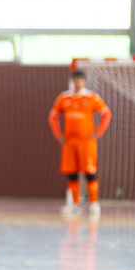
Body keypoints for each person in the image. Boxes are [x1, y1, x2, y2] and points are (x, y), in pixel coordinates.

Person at [49, 70, 112, 221]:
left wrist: (99, 132)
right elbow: (53, 116)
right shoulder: (64, 97)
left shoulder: (91, 97)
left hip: (86, 143)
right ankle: (75, 204)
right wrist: (58, 134)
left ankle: (94, 204)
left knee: (90, 172)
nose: (78, 82)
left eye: (80, 79)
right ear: (72, 80)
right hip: (70, 143)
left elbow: (106, 114)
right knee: (72, 174)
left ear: (84, 81)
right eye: (75, 79)